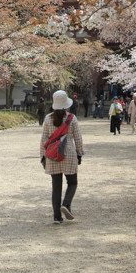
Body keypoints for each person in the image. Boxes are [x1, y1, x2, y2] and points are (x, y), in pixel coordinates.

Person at [40, 90, 84, 224]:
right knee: (72, 182)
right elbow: (78, 138)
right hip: (69, 153)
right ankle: (66, 204)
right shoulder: (71, 118)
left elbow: (43, 139)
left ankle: (56, 216)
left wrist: (42, 156)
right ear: (65, 105)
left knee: (56, 186)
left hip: (53, 154)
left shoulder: (48, 118)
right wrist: (80, 153)